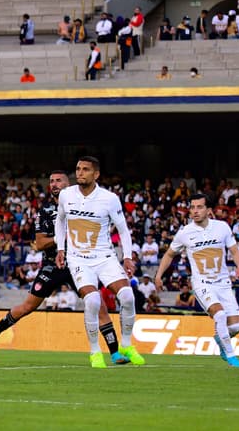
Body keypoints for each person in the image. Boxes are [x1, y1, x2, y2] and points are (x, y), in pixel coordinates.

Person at [0, 170, 127, 364]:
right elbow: (40, 243)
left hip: (80, 264)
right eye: (51, 181)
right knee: (28, 306)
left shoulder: (86, 205)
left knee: (99, 307)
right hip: (53, 265)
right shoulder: (46, 211)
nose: (54, 184)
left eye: (59, 181)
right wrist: (63, 236)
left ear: (69, 185)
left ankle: (115, 353)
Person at [55, 156, 146, 368]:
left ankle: (125, 344)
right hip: (78, 259)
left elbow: (123, 230)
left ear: (96, 174)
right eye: (77, 169)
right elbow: (60, 222)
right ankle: (95, 351)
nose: (79, 173)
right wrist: (61, 248)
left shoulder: (109, 198)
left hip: (105, 257)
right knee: (93, 301)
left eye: (85, 169)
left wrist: (127, 257)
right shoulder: (66, 195)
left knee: (127, 296)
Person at [154, 192, 239, 367]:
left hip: (223, 283)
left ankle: (221, 339)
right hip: (202, 284)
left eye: (199, 207)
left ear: (209, 210)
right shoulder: (185, 233)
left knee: (235, 327)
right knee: (219, 315)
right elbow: (169, 255)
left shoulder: (222, 227)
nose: (195, 211)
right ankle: (231, 356)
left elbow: (234, 250)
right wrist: (158, 275)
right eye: (192, 207)